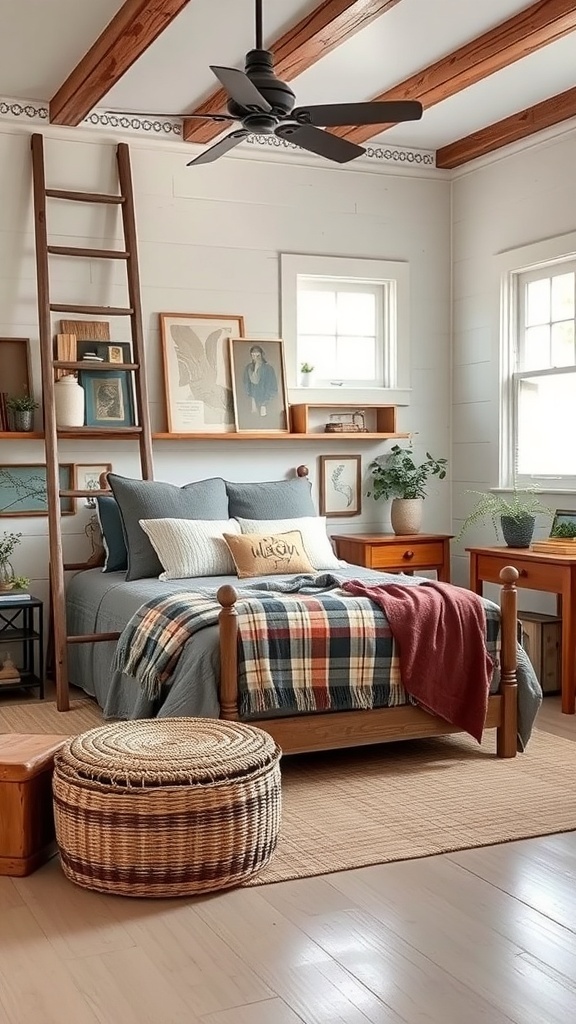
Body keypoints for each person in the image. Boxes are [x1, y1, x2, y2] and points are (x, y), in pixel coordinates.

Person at [242, 345, 278, 417]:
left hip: (267, 401)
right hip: (252, 401)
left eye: (257, 355)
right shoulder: (248, 368)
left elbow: (273, 387)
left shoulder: (268, 369)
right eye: (253, 355)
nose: (255, 358)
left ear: (261, 355)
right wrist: (252, 400)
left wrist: (264, 404)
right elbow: (246, 384)